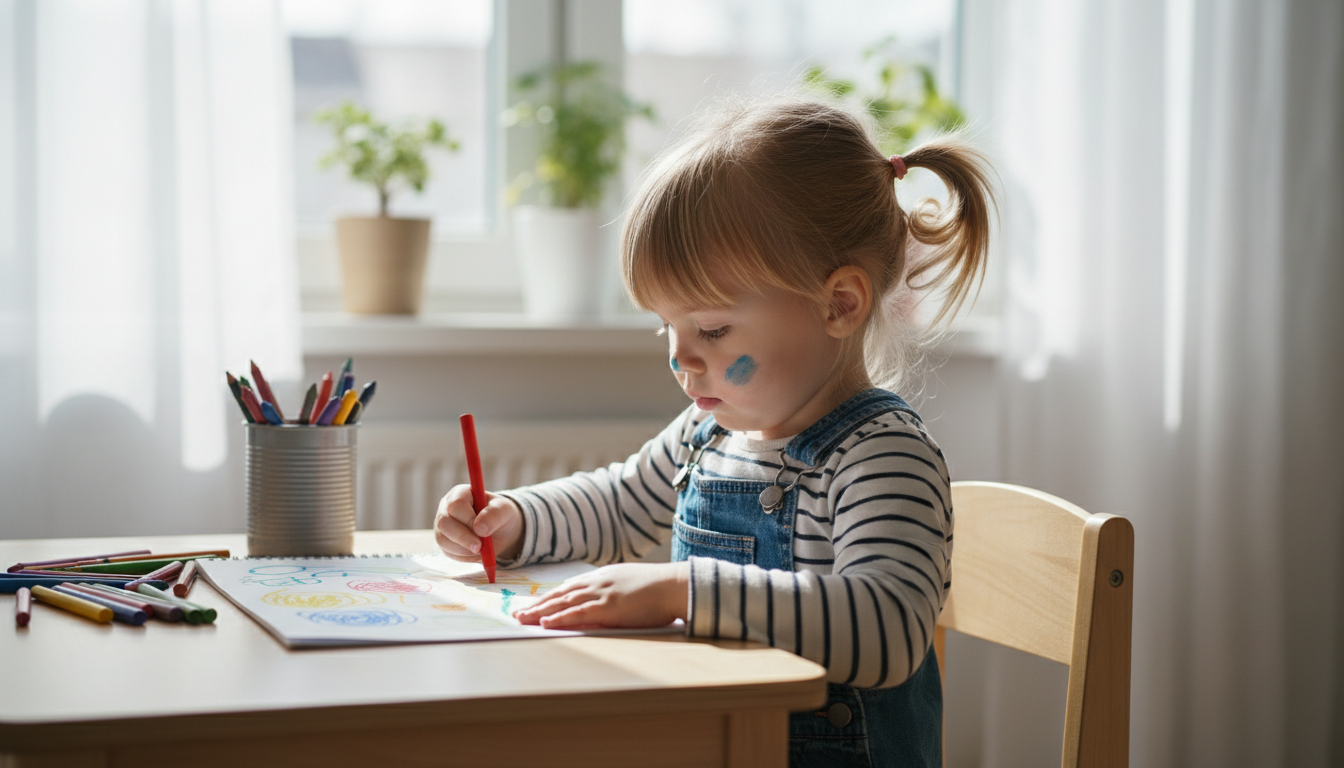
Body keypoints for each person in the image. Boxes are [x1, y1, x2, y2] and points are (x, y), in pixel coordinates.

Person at [435, 96, 994, 768]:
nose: (680, 358)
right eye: (666, 327)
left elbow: (887, 629)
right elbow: (619, 504)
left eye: (711, 329)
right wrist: (515, 519)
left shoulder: (881, 456)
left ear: (839, 304)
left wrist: (682, 591)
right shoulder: (712, 431)